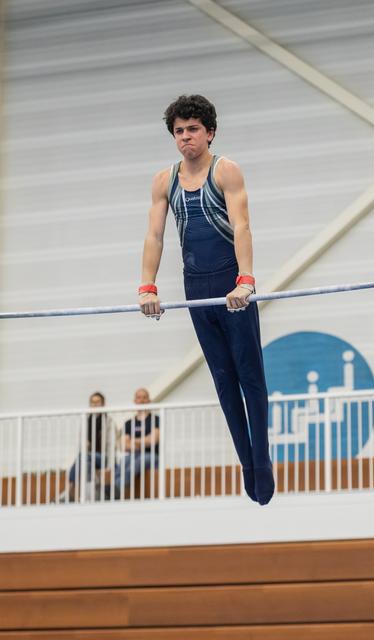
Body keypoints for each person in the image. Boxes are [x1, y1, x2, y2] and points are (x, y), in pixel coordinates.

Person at [138, 94, 274, 505]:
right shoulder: (164, 181)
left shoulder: (225, 171)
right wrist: (148, 285)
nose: (186, 138)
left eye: (193, 129)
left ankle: (262, 458)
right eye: (179, 131)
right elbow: (155, 236)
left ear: (210, 132)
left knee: (250, 375)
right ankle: (246, 462)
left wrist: (246, 281)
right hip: (196, 287)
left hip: (231, 284)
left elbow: (242, 225)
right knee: (222, 379)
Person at [62, 391, 116, 502]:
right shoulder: (86, 420)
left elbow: (112, 445)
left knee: (84, 456)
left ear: (103, 404)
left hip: (103, 458)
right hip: (88, 457)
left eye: (98, 402)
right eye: (92, 402)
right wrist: (84, 445)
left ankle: (69, 487)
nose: (95, 405)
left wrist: (110, 466)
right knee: (86, 463)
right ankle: (89, 497)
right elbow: (80, 444)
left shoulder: (109, 421)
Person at [112, 387, 160, 498]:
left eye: (144, 397)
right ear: (135, 401)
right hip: (134, 455)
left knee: (140, 460)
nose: (142, 400)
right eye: (139, 397)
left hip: (152, 455)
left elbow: (152, 440)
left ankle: (117, 488)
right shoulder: (129, 423)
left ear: (149, 400)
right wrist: (144, 441)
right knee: (124, 460)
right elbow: (124, 445)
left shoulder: (155, 419)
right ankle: (114, 487)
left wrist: (133, 441)